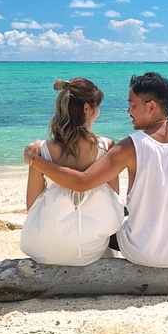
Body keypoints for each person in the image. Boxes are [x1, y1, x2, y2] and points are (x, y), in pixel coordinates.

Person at [24, 72, 168, 269]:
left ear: (151, 107)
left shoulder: (130, 146)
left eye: (132, 105)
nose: (128, 111)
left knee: (118, 213)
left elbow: (83, 182)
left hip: (138, 252)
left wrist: (35, 161)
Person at [19, 78, 124, 266]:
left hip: (47, 250)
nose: (98, 112)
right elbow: (113, 198)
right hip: (91, 251)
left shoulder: (41, 151)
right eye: (98, 107)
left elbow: (32, 206)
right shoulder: (106, 147)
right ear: (87, 108)